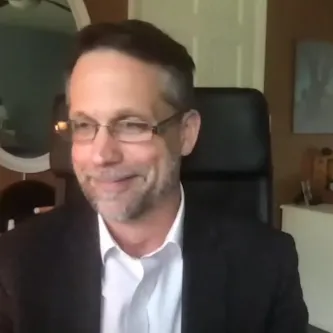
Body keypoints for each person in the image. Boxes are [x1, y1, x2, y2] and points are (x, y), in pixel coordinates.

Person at [0, 20, 308, 333]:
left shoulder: (266, 264)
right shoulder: (17, 261)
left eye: (131, 124)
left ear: (186, 134)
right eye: (83, 125)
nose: (101, 155)